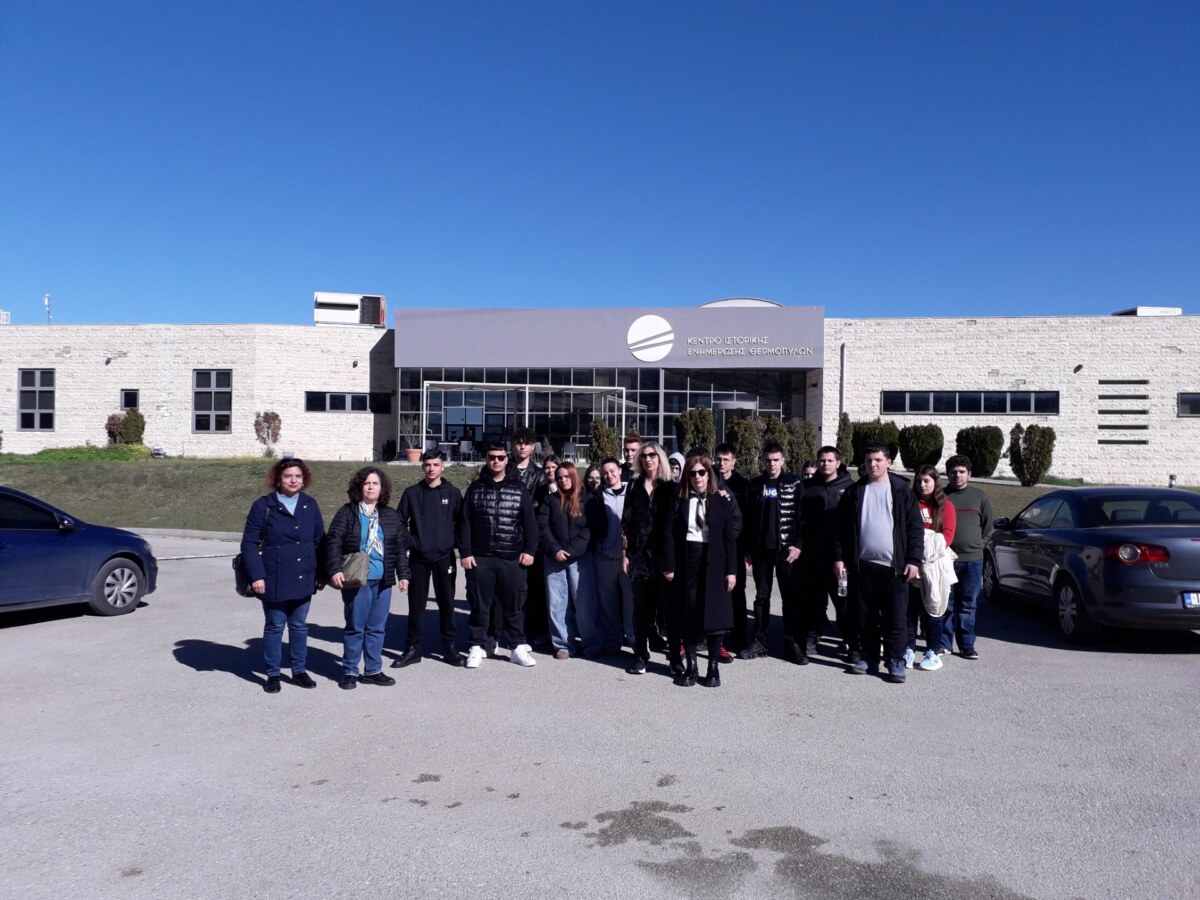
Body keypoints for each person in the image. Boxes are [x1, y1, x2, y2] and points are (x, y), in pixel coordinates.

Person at [833, 445, 924, 683]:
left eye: (878, 460)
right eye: (868, 460)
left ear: (889, 462)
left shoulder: (901, 491)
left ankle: (895, 661)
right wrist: (840, 557)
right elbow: (841, 529)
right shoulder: (854, 491)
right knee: (866, 616)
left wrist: (914, 560)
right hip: (863, 565)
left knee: (896, 617)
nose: (872, 464)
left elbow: (915, 528)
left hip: (895, 567)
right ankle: (869, 657)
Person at [241, 458, 326, 693]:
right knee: (275, 625)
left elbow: (320, 541)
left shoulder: (310, 504)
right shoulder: (263, 505)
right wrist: (257, 576)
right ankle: (273, 673)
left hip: (303, 575)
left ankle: (299, 670)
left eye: (298, 476)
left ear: (304, 479)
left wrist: (322, 573)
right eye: (288, 476)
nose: (293, 480)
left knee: (299, 625)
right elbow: (249, 543)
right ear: (278, 479)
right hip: (273, 576)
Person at [326, 466, 410, 690]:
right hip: (357, 580)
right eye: (367, 483)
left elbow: (399, 547)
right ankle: (350, 670)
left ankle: (373, 670)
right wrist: (334, 569)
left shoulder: (389, 515)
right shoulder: (348, 512)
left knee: (377, 627)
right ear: (359, 487)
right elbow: (333, 541)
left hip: (383, 581)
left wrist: (404, 574)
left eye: (375, 483)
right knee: (356, 626)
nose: (371, 487)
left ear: (382, 488)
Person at [458, 443, 539, 669]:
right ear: (486, 458)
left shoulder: (519, 489)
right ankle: (477, 645)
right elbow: (464, 524)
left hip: (511, 558)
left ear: (507, 459)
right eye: (492, 457)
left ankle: (516, 647)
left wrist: (529, 550)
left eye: (500, 457)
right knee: (480, 605)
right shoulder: (475, 488)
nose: (496, 461)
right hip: (481, 558)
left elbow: (530, 524)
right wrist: (466, 552)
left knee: (514, 606)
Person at [661, 454, 737, 688]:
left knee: (715, 614)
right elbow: (668, 534)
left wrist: (731, 571)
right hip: (688, 559)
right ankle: (692, 667)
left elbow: (729, 538)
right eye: (692, 473)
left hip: (715, 561)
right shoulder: (678, 500)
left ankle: (713, 667)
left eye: (702, 472)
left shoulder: (721, 501)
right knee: (689, 613)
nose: (697, 477)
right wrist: (669, 565)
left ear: (708, 475)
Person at [394, 450, 463, 668]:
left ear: (443, 467)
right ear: (423, 467)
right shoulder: (412, 493)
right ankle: (413, 648)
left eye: (435, 464)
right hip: (418, 558)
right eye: (427, 464)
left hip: (444, 557)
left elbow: (462, 523)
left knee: (447, 603)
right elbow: (399, 522)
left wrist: (452, 542)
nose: (431, 468)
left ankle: (450, 647)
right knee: (416, 605)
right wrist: (412, 542)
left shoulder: (453, 494)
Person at [739, 442, 804, 662]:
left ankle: (790, 642)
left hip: (786, 550)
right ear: (763, 460)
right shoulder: (755, 485)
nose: (772, 464)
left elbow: (802, 516)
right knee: (761, 597)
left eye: (776, 460)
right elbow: (748, 519)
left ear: (783, 460)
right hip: (761, 551)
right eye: (768, 460)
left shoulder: (794, 483)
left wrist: (798, 545)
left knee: (790, 598)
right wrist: (748, 549)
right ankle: (760, 641)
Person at [539, 461, 604, 658]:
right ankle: (563, 645)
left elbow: (592, 529)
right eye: (559, 477)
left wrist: (571, 551)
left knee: (584, 603)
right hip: (554, 559)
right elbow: (542, 527)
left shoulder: (588, 500)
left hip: (581, 559)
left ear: (574, 476)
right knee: (557, 604)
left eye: (567, 476)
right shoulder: (550, 500)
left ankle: (591, 643)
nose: (563, 480)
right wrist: (555, 550)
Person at [621, 441, 674, 675]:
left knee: (668, 611)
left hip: (663, 558)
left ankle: (675, 657)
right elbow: (626, 522)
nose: (648, 459)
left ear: (660, 458)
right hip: (639, 557)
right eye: (644, 456)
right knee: (641, 611)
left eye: (652, 455)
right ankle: (641, 656)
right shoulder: (634, 486)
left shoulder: (671, 487)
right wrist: (625, 554)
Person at [798, 446, 853, 656]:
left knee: (843, 602)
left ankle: (851, 642)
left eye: (830, 460)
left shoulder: (849, 487)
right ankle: (812, 638)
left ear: (838, 463)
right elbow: (800, 520)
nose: (825, 464)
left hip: (840, 558)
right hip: (813, 555)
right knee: (814, 601)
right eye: (822, 460)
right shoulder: (807, 487)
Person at [940, 454, 993, 660]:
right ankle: (944, 643)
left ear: (969, 474)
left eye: (962, 472)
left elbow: (987, 526)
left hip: (972, 560)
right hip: (946, 559)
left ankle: (966, 645)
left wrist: (973, 544)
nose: (958, 475)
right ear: (948, 474)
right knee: (946, 604)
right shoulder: (941, 496)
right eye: (953, 472)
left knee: (967, 604)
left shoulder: (980, 497)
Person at [908, 464, 956, 671]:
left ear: (935, 482)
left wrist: (924, 543)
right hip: (912, 563)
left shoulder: (946, 506)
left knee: (933, 611)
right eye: (919, 481)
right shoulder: (911, 502)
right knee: (910, 611)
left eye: (926, 481)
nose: (922, 485)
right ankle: (908, 650)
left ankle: (933, 653)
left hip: (935, 566)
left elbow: (947, 537)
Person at [508, 427, 550, 648]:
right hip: (509, 536)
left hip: (531, 537)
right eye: (518, 442)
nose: (522, 446)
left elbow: (541, 507)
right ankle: (513, 630)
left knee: (534, 587)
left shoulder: (540, 475)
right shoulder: (506, 470)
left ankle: (536, 630)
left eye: (526, 443)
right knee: (512, 587)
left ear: (533, 447)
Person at [588, 457, 633, 654]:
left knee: (630, 604)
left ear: (620, 471)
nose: (609, 475)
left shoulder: (632, 492)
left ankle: (636, 644)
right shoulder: (597, 497)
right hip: (604, 557)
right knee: (608, 603)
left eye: (612, 471)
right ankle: (613, 641)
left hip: (627, 559)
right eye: (605, 473)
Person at [713, 443, 749, 657]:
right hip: (714, 548)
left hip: (736, 546)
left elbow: (745, 520)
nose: (721, 463)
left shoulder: (743, 485)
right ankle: (717, 635)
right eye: (718, 459)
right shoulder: (709, 480)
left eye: (726, 460)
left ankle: (739, 635)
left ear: (733, 462)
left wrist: (746, 550)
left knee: (737, 592)